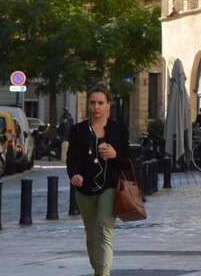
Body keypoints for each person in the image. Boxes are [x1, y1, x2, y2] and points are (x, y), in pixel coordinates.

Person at [66, 84, 131, 276]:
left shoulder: (118, 130)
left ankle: (104, 273)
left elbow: (128, 161)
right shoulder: (78, 130)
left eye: (100, 103)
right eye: (93, 103)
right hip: (84, 189)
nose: (96, 107)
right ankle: (98, 270)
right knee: (91, 235)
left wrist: (114, 155)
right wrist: (74, 175)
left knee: (104, 229)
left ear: (108, 105)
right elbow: (72, 159)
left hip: (109, 187)